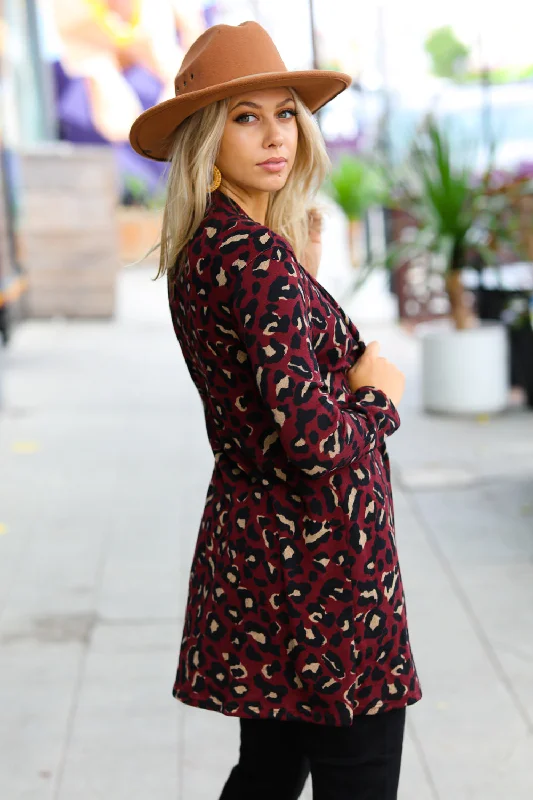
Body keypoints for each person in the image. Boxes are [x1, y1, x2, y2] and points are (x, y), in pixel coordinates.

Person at [129, 20, 422, 800]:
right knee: (355, 777)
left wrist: (301, 279)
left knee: (266, 772)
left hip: (266, 560)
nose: (274, 136)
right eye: (244, 116)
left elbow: (261, 366)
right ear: (204, 134)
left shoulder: (213, 245)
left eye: (285, 112)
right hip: (321, 572)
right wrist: (378, 394)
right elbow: (316, 441)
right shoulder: (253, 259)